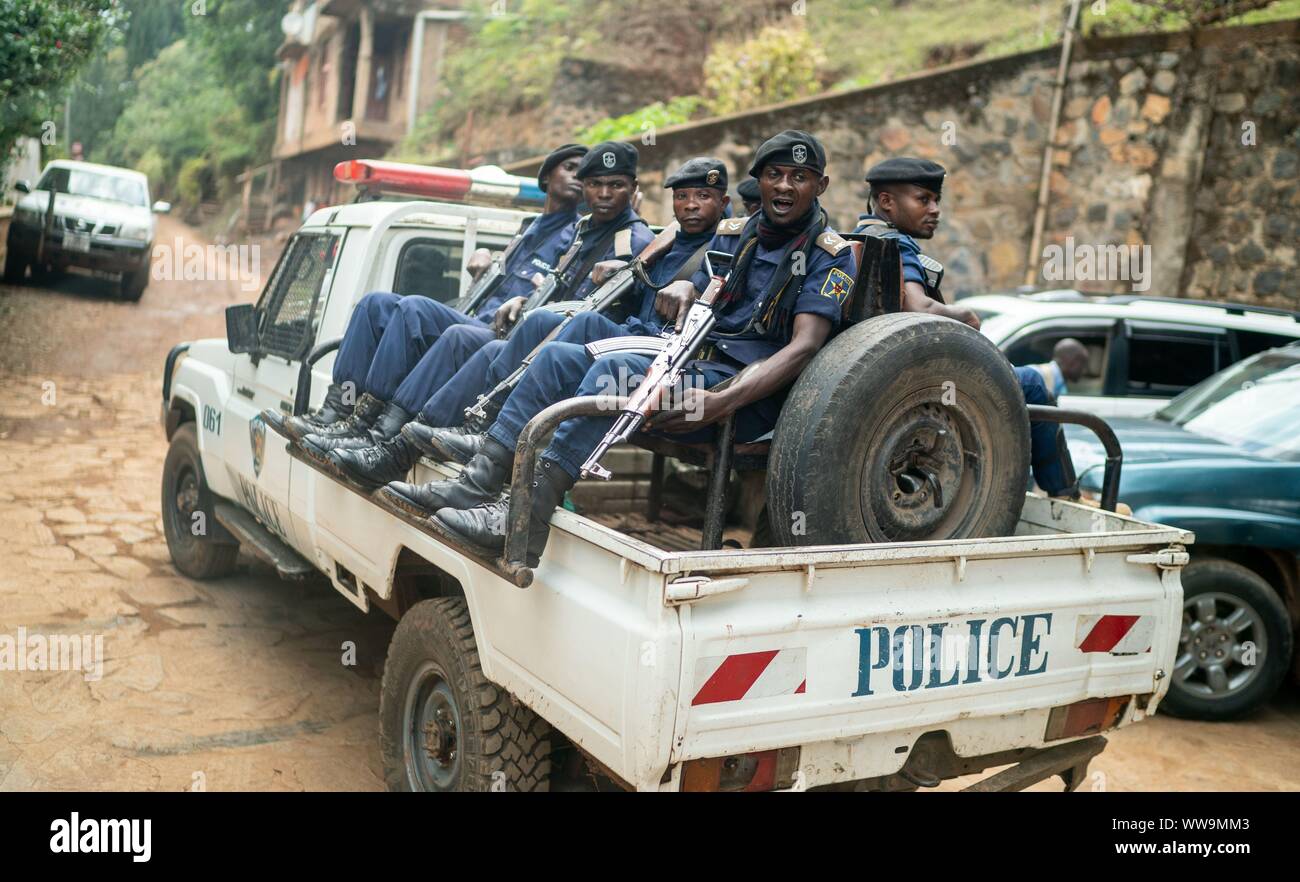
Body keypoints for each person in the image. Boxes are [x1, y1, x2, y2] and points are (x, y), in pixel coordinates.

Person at [421, 131, 857, 566]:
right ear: (759, 181)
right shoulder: (733, 234)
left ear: (820, 186)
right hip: (686, 367)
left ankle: (521, 522)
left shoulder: (829, 255)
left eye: (799, 177)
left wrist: (721, 402)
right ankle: (477, 481)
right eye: (775, 175)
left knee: (614, 371)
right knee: (556, 357)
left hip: (737, 403)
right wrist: (687, 283)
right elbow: (707, 287)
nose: (784, 186)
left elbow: (804, 347)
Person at [374, 156, 734, 508]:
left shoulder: (727, 245)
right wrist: (623, 272)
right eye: (682, 196)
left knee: (534, 343)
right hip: (634, 333)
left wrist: (694, 289)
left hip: (673, 350)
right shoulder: (668, 240)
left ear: (724, 203)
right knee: (544, 321)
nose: (690, 205)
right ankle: (486, 427)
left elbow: (726, 301)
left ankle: (487, 460)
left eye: (702, 196)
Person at [318, 142, 658, 487]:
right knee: (382, 305)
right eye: (595, 184)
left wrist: (535, 304)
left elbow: (615, 316)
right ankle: (357, 422)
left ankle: (397, 448)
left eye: (615, 185)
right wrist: (524, 301)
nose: (603, 194)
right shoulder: (581, 231)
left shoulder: (632, 241)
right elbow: (556, 291)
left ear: (632, 189)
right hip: (529, 330)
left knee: (459, 336)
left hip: (566, 348)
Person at [266, 143, 588, 444]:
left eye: (583, 171)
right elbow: (492, 285)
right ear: (547, 176)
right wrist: (483, 269)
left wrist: (526, 299)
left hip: (504, 333)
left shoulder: (576, 236)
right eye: (570, 168)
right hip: (475, 315)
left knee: (414, 310)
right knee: (374, 304)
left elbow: (568, 300)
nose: (579, 176)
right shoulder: (528, 229)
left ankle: (367, 425)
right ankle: (336, 409)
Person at [860, 156, 1076, 497]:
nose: (935, 210)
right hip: (915, 380)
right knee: (1033, 383)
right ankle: (1065, 494)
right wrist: (966, 318)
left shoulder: (859, 237)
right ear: (886, 202)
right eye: (923, 199)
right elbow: (917, 305)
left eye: (937, 200)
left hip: (887, 374)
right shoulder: (894, 242)